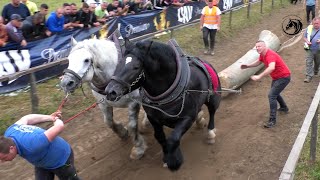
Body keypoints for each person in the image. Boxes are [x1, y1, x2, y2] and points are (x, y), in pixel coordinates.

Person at [0, 111, 81, 180]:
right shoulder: (9, 133)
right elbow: (26, 118)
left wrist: (56, 119)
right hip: (42, 162)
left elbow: (59, 126)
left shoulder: (33, 144)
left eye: (4, 158)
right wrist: (50, 117)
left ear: (11, 148)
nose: (3, 161)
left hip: (61, 159)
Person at [240, 40, 291, 128]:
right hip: (277, 77)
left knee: (271, 95)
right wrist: (248, 66)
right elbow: (258, 62)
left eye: (259, 46)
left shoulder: (270, 55)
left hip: (283, 77)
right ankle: (284, 108)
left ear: (265, 46)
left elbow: (271, 67)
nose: (257, 48)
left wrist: (259, 76)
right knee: (275, 94)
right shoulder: (262, 54)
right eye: (256, 47)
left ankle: (272, 121)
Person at [303, 17, 320, 83]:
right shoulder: (309, 28)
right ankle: (308, 76)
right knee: (308, 62)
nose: (316, 25)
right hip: (309, 49)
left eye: (317, 23)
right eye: (314, 23)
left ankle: (316, 71)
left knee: (317, 63)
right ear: (312, 23)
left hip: (319, 50)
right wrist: (307, 41)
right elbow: (304, 37)